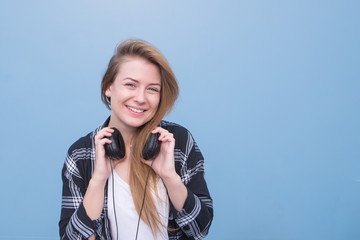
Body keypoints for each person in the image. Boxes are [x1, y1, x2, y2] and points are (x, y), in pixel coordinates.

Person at [59, 39, 213, 240]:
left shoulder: (177, 142)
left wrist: (170, 177)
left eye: (152, 89)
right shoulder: (81, 154)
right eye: (130, 84)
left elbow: (200, 230)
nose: (141, 98)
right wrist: (97, 181)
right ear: (108, 87)